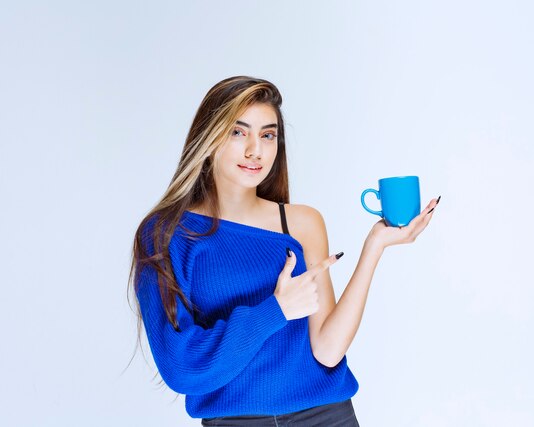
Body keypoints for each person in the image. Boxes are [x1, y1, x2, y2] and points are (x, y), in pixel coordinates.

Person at [128, 75, 440, 426]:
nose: (255, 150)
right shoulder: (166, 234)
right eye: (237, 132)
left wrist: (374, 247)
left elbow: (327, 350)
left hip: (328, 416)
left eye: (267, 135)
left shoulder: (303, 222)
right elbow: (182, 367)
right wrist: (276, 310)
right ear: (208, 138)